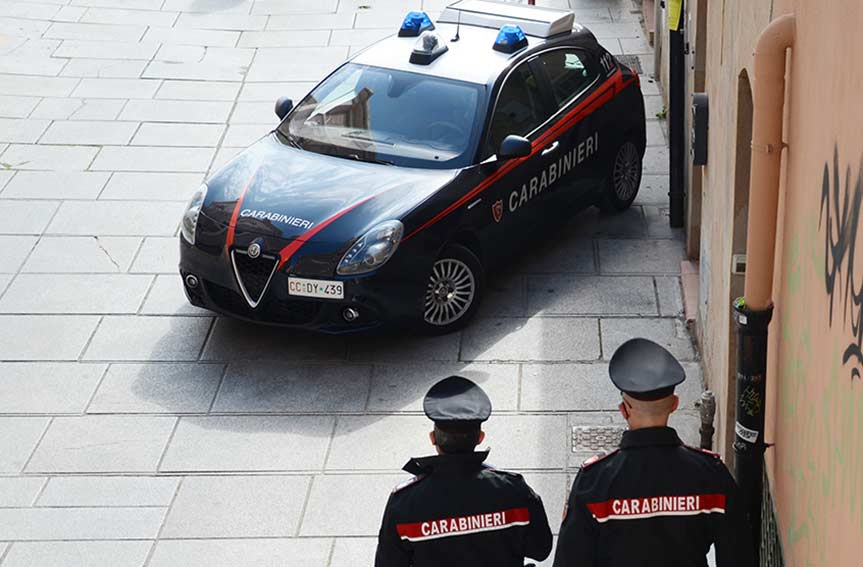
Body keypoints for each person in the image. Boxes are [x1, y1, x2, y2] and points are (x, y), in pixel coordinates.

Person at [554, 338, 754, 567]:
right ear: (675, 404)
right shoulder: (711, 475)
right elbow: (739, 557)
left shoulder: (594, 482)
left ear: (623, 410)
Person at [375, 375, 553, 567]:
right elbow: (540, 549)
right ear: (480, 438)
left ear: (433, 438)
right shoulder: (513, 489)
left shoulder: (404, 503)